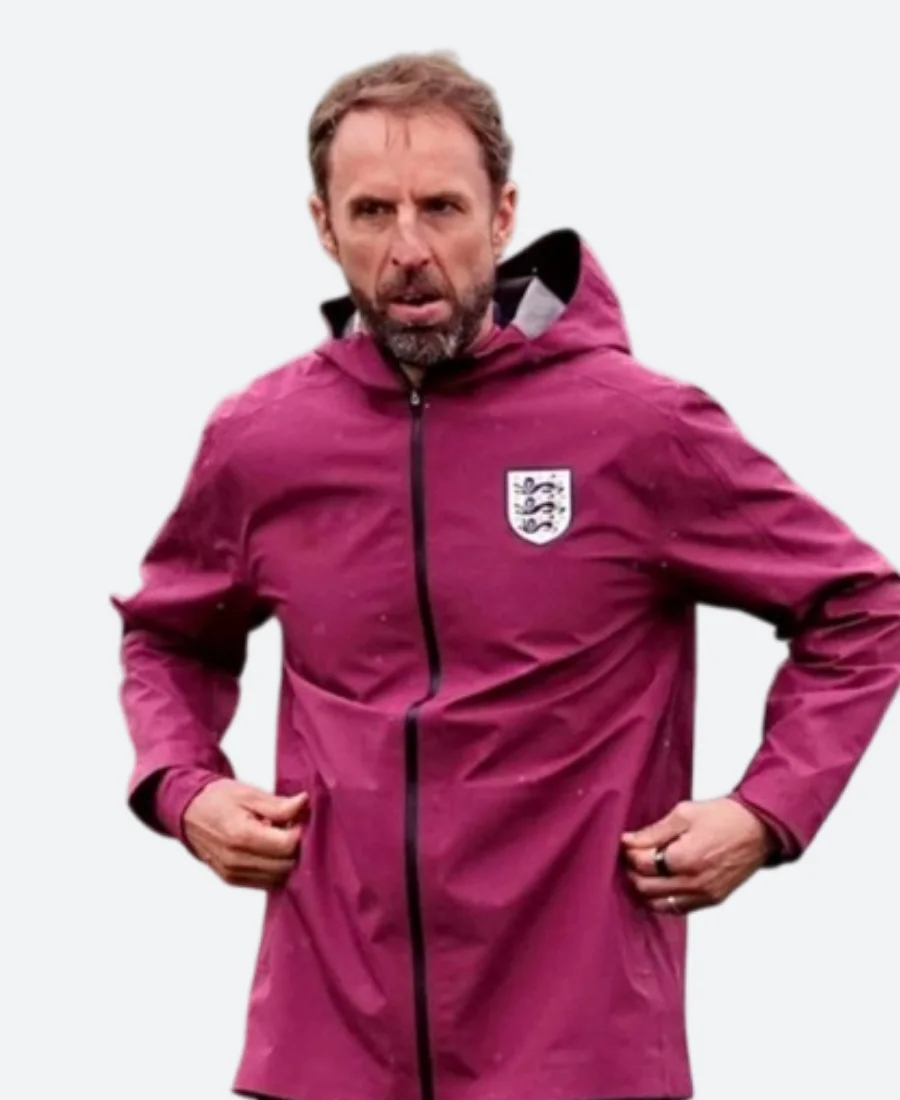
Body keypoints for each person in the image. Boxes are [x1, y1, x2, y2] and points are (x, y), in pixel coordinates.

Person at [112, 51, 900, 1100]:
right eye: (371, 211)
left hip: (582, 1057)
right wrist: (185, 788)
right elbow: (169, 634)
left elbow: (862, 606)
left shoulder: (639, 427)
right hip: (322, 1054)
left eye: (441, 207)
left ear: (503, 215)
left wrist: (764, 813)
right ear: (322, 226)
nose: (408, 249)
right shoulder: (264, 438)